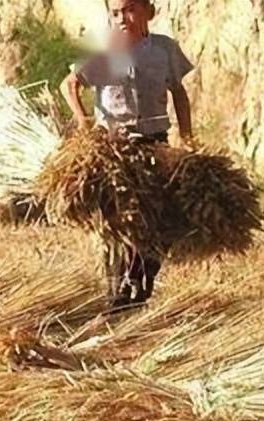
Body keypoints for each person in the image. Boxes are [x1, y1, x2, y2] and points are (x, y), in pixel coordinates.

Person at [59, 0, 195, 309]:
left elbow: (179, 94)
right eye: (116, 13)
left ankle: (142, 281)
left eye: (130, 9)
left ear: (149, 11)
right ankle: (118, 293)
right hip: (116, 147)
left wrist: (187, 138)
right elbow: (70, 85)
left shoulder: (164, 50)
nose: (123, 19)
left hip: (155, 144)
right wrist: (83, 120)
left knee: (160, 219)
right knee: (122, 221)